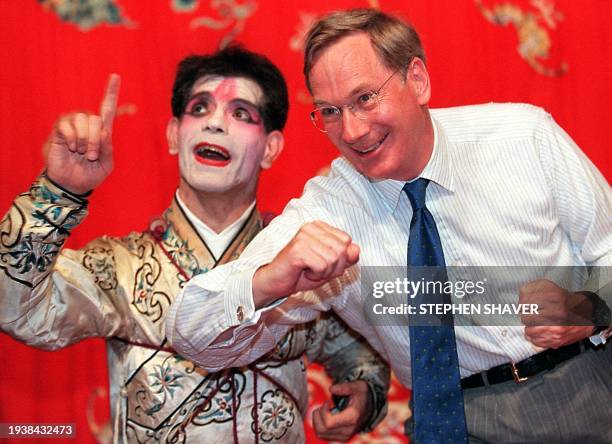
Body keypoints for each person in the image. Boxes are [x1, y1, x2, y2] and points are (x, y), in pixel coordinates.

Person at [166, 9, 612, 444]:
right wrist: (267, 282)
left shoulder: (521, 138)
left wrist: (587, 310)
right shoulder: (328, 209)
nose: (354, 131)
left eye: (365, 98)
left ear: (416, 79)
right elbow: (193, 335)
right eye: (331, 112)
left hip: (585, 384)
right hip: (453, 418)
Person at [0, 46, 390, 443]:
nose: (215, 124)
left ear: (270, 148)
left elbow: (358, 349)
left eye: (241, 113)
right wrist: (60, 191)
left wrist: (362, 393)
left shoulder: (300, 260)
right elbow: (15, 309)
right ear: (174, 134)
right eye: (200, 109)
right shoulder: (120, 267)